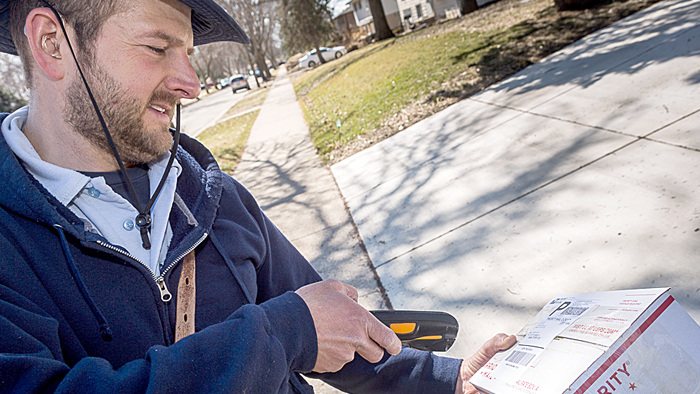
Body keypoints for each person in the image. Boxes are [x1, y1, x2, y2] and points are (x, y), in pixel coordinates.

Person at [0, 0, 516, 392]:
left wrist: (445, 380)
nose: (191, 84)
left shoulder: (212, 195)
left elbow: (330, 323)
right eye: (158, 48)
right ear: (52, 43)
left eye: (188, 54)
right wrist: (280, 334)